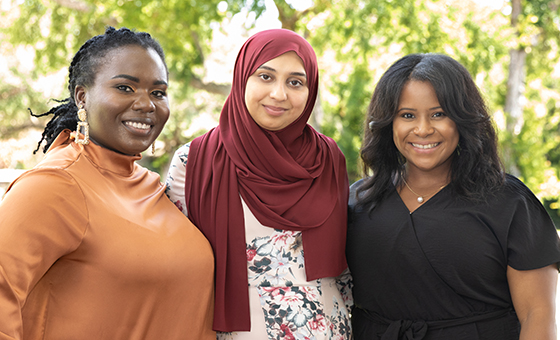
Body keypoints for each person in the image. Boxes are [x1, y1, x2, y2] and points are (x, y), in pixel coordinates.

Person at [0, 27, 215, 339]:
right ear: (82, 96)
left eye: (157, 92)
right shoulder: (57, 184)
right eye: (126, 88)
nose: (146, 104)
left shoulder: (154, 186)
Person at [347, 52, 560, 340]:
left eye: (439, 114)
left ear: (462, 119)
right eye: (407, 115)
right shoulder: (359, 201)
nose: (423, 129)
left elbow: (538, 316)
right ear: (388, 123)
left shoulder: (510, 203)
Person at [165, 28, 352, 339]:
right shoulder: (194, 161)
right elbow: (174, 267)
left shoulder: (328, 158)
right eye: (265, 76)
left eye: (295, 82)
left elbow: (343, 269)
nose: (279, 94)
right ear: (242, 78)